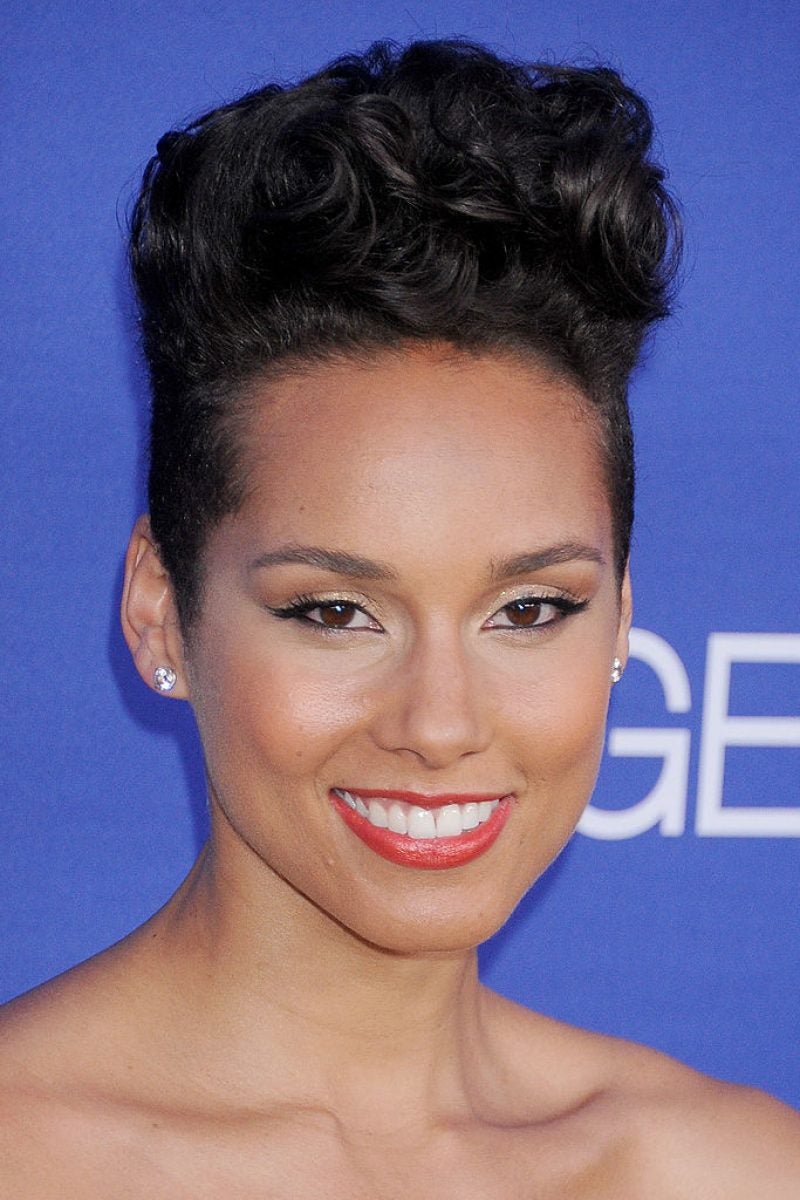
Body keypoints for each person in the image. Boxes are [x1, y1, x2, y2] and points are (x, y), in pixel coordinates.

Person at [1, 38, 797, 1197]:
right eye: (335, 611)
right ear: (161, 610)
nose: (438, 724)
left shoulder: (732, 1169)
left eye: (529, 608)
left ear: (621, 617)